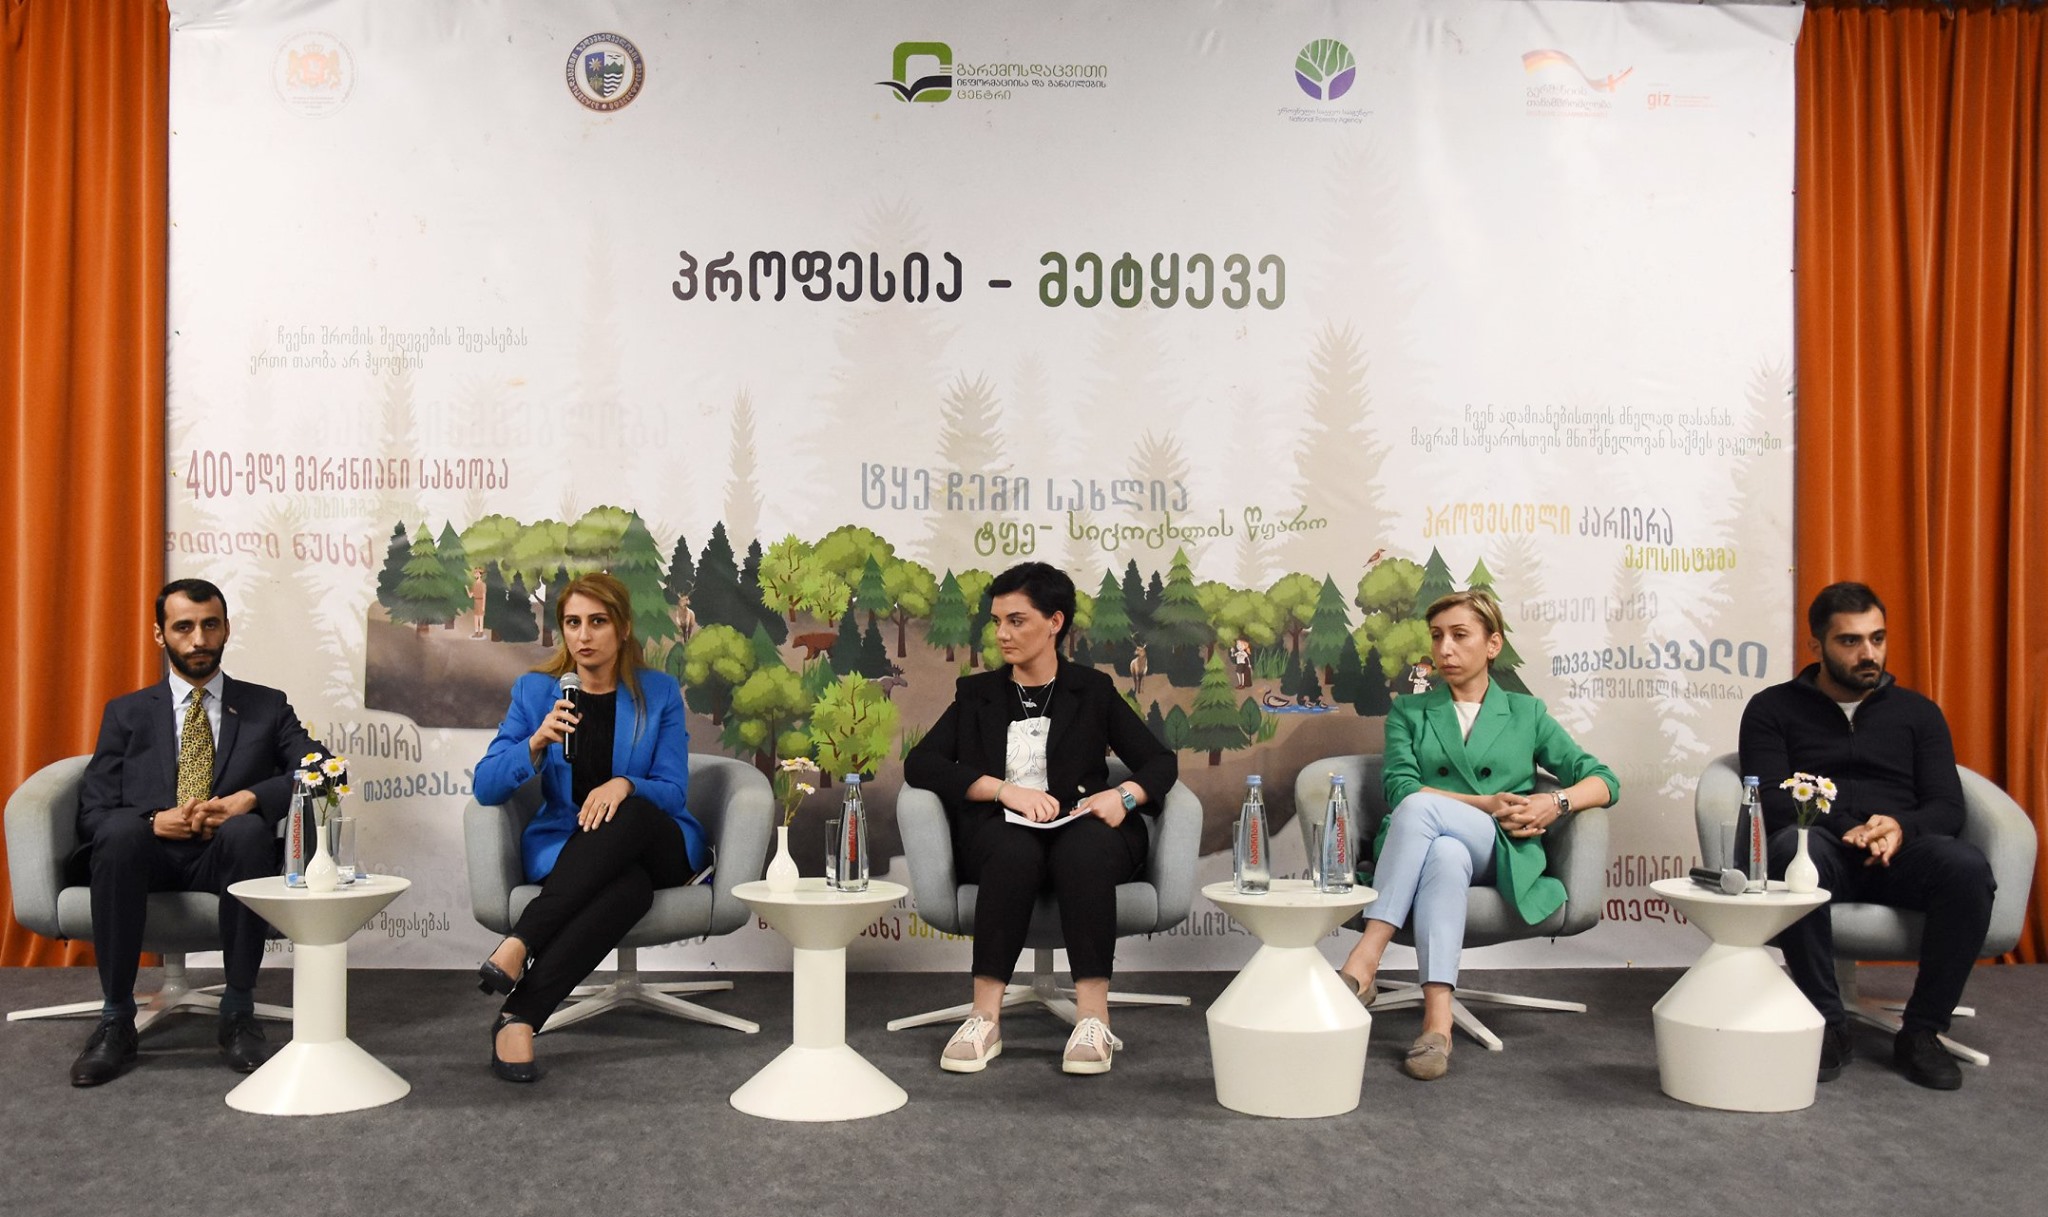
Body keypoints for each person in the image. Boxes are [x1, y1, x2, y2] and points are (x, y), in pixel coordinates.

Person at [903, 562, 1177, 1076]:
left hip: (1084, 829)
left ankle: (1093, 1020)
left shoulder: (1092, 690)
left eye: (1017, 621)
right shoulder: (977, 694)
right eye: (997, 621)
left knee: (1084, 850)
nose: (1002, 634)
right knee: (1013, 850)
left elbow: (1160, 762)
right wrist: (1002, 790)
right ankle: (984, 1019)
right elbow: (921, 764)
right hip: (1002, 832)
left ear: (1055, 622)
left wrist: (1125, 796)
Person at [1335, 590, 1617, 1081]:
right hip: (1423, 845)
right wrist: (1485, 802)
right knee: (1443, 850)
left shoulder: (1527, 713)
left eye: (1460, 635)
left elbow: (1604, 781)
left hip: (1499, 847)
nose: (1444, 648)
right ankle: (1437, 1024)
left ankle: (1366, 959)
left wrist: (1554, 802)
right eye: (1437, 636)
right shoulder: (1410, 711)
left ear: (1492, 644)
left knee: (1424, 808)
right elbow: (1400, 790)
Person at [1737, 581, 1994, 1091]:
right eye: (1850, 641)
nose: (1868, 653)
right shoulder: (1772, 709)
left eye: (1877, 638)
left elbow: (1947, 805)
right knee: (1790, 849)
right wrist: (1846, 827)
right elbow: (1771, 795)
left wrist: (1900, 827)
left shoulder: (1918, 713)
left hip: (1902, 851)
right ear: (1816, 646)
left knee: (1966, 868)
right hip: (1824, 844)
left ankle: (1922, 1032)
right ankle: (1828, 1024)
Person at [71, 578, 327, 1087]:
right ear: (160, 635)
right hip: (147, 855)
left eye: (210, 625)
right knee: (120, 833)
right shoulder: (126, 712)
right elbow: (93, 812)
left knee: (248, 832)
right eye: (183, 627)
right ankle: (116, 1019)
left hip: (225, 856)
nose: (198, 639)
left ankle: (238, 1012)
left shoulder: (265, 705)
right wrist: (153, 820)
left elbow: (320, 768)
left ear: (227, 628)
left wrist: (249, 798)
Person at [471, 572, 702, 1083]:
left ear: (622, 628)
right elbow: (485, 787)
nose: (584, 635)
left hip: (657, 843)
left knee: (632, 808)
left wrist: (624, 784)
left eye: (598, 622)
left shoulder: (658, 692)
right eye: (573, 623)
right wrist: (535, 743)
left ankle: (522, 939)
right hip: (572, 847)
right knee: (629, 890)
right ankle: (518, 1019)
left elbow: (673, 790)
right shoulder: (536, 692)